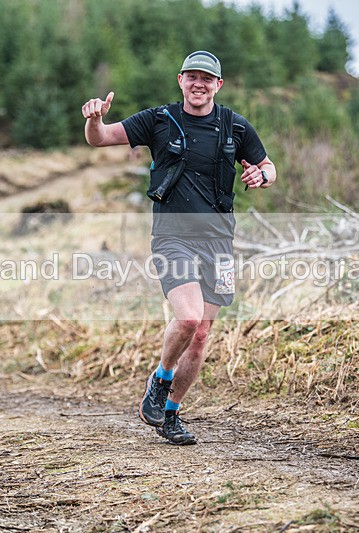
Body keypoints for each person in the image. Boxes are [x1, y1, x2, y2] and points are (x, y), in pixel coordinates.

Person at [81, 51, 277, 445]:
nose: (199, 83)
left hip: (219, 241)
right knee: (188, 319)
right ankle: (161, 378)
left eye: (208, 78)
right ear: (180, 80)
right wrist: (95, 118)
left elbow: (269, 166)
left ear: (218, 85)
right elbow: (101, 139)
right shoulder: (158, 120)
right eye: (193, 77)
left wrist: (262, 175)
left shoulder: (235, 127)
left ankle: (170, 414)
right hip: (173, 238)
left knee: (202, 334)